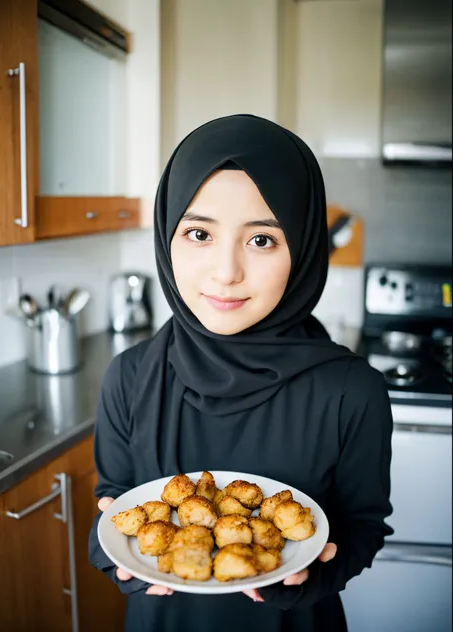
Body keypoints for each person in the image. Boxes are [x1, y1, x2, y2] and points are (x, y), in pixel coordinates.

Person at [88, 114, 393, 632]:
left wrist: (316, 576)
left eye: (261, 240)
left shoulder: (353, 390)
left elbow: (363, 524)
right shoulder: (129, 376)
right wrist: (117, 561)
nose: (226, 271)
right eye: (199, 232)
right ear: (167, 237)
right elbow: (114, 503)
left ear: (302, 247)